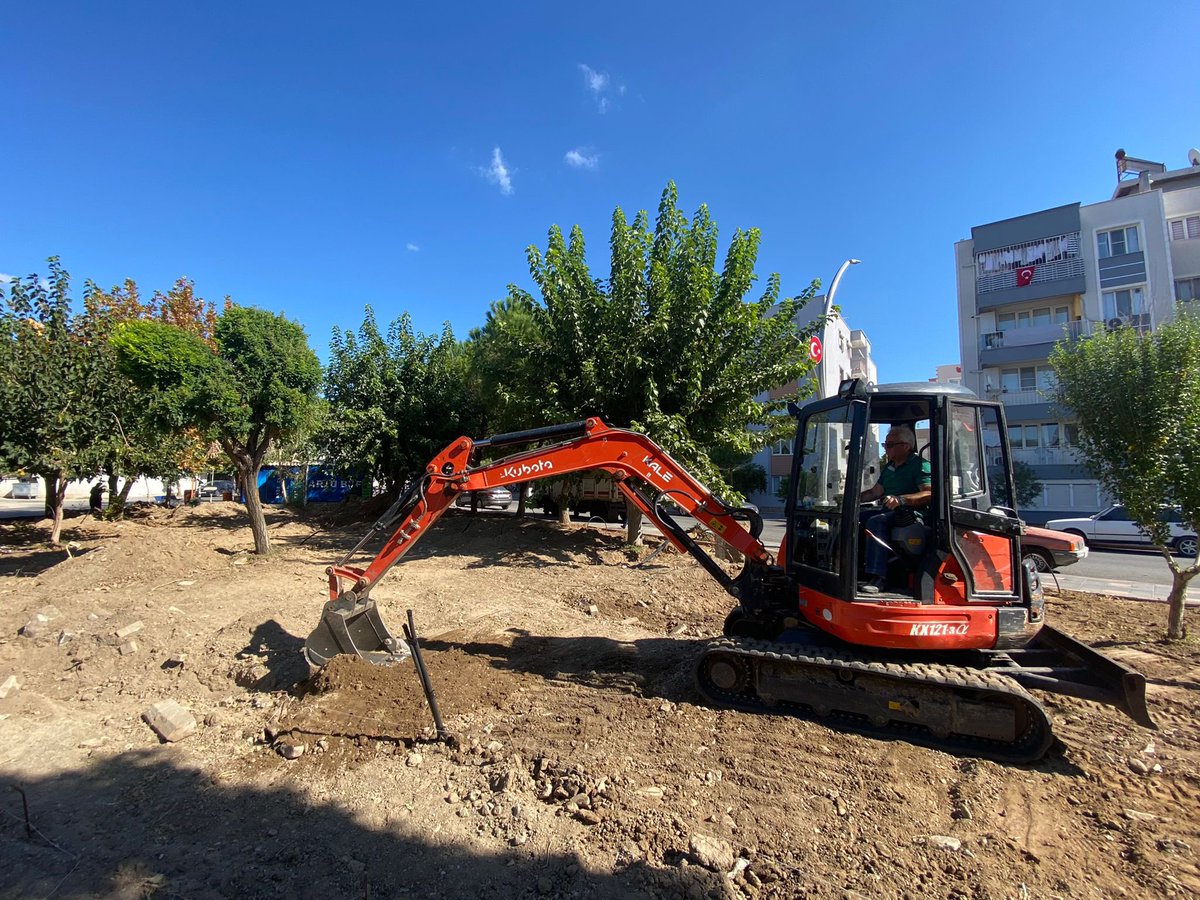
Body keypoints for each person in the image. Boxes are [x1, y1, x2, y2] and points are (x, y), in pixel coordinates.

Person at [858, 425, 932, 594]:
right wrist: (850, 499)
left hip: (912, 514)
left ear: (905, 446)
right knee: (855, 518)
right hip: (890, 510)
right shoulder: (890, 467)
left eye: (890, 445)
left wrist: (902, 500)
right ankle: (857, 569)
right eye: (885, 444)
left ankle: (878, 578)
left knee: (876, 521)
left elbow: (929, 493)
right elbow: (875, 492)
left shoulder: (920, 465)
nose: (885, 448)